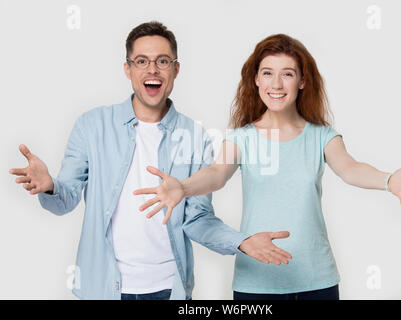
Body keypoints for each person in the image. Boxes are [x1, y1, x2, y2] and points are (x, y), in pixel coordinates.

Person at [134, 33, 401, 300]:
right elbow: (216, 175)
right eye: (267, 73)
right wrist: (183, 187)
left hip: (317, 282)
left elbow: (350, 168)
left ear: (303, 80)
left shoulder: (322, 137)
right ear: (255, 79)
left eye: (288, 74)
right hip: (256, 282)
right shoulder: (242, 139)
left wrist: (389, 180)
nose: (277, 84)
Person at [8, 22, 293, 300]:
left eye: (163, 61)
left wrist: (241, 242)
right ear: (127, 69)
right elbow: (66, 198)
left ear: (176, 69)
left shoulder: (193, 136)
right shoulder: (92, 125)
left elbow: (197, 219)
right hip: (104, 287)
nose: (152, 70)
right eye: (142, 61)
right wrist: (49, 186)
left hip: (168, 289)